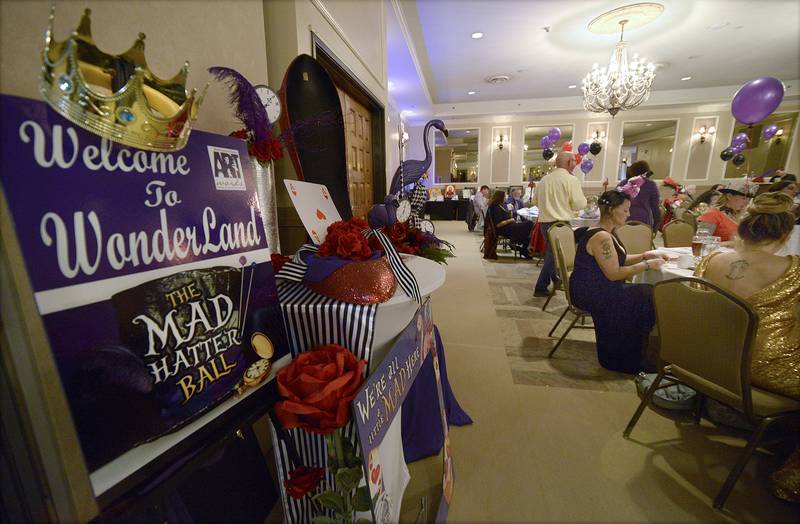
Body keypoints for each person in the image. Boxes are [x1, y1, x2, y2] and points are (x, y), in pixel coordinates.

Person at [694, 192, 799, 502]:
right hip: (757, 366)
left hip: (709, 357)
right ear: (784, 233)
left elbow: (695, 307)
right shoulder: (793, 270)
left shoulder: (712, 259)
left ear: (742, 226)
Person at [569, 190, 669, 373]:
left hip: (596, 286)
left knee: (644, 293)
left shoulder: (606, 231)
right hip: (589, 292)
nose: (629, 214)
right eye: (625, 210)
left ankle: (635, 350)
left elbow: (618, 259)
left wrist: (645, 255)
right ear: (611, 210)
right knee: (646, 294)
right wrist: (647, 265)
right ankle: (628, 356)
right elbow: (614, 273)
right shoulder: (602, 237)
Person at [531, 151, 587, 296]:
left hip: (544, 223)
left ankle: (555, 279)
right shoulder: (571, 180)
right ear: (569, 163)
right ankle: (541, 286)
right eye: (574, 161)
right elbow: (579, 204)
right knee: (555, 255)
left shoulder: (544, 180)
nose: (576, 163)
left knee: (552, 252)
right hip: (560, 224)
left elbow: (535, 201)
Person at [487, 190, 534, 258]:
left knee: (528, 225)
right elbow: (498, 224)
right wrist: (510, 220)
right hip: (503, 229)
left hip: (507, 227)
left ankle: (522, 248)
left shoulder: (498, 205)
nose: (506, 198)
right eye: (504, 197)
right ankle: (522, 248)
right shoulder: (496, 207)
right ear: (500, 197)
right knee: (529, 224)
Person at [618, 161, 659, 227]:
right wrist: (655, 227)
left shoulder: (623, 183)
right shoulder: (651, 185)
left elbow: (615, 202)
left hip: (625, 219)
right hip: (644, 221)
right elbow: (655, 208)